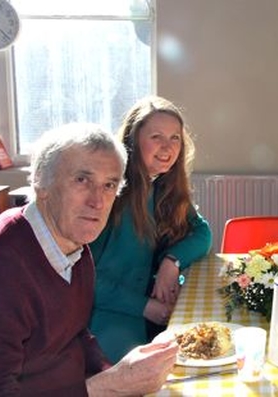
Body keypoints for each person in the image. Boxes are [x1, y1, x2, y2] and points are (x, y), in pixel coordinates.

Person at [0, 123, 178, 396]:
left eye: (109, 185)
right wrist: (107, 386)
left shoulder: (75, 250)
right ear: (41, 183)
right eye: (82, 180)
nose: (98, 202)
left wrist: (119, 375)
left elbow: (78, 336)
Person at [89, 96, 212, 362]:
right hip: (110, 316)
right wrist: (145, 307)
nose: (167, 147)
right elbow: (85, 278)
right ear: (133, 141)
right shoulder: (111, 194)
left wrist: (172, 261)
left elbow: (203, 233)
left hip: (154, 310)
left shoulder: (163, 185)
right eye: (156, 136)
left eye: (175, 137)